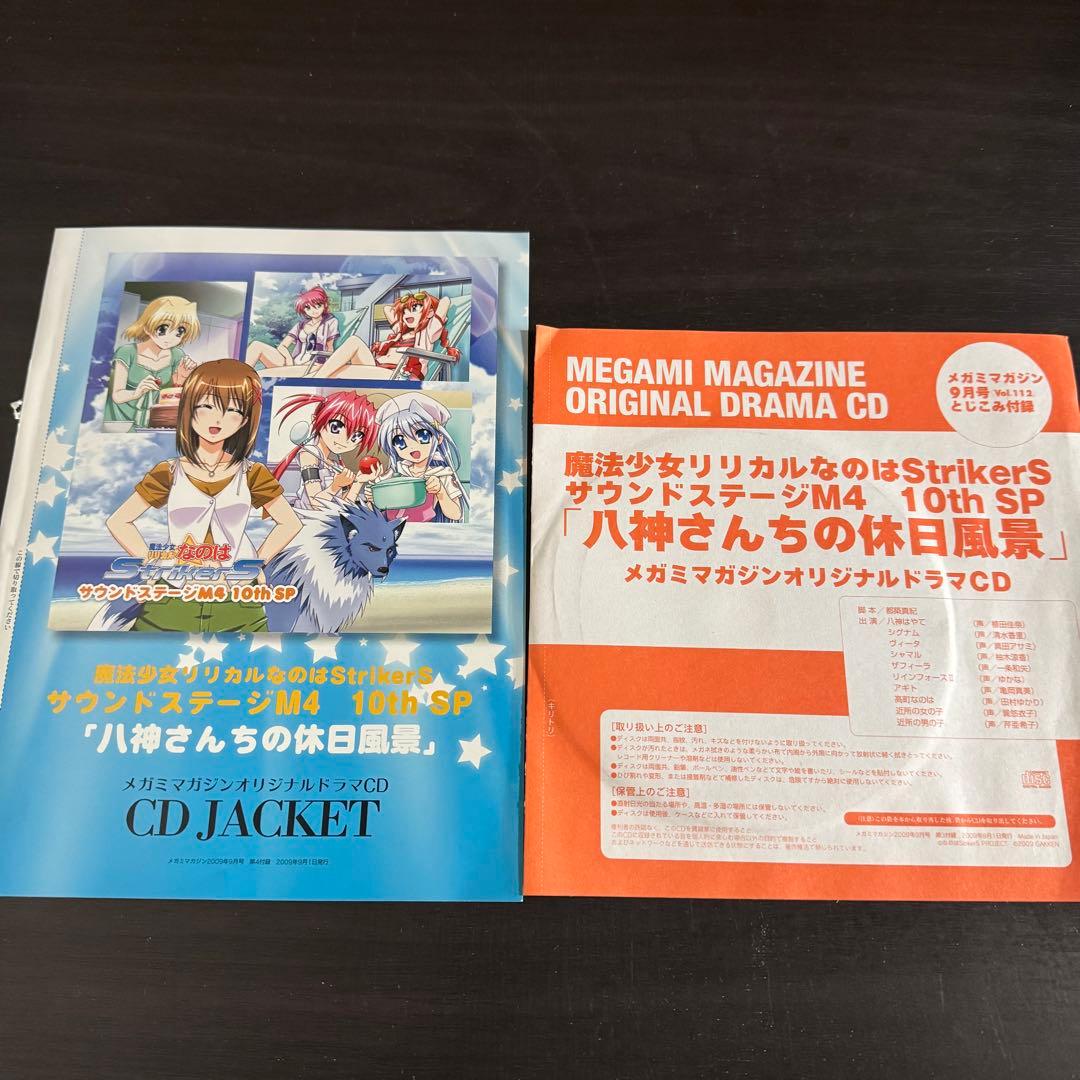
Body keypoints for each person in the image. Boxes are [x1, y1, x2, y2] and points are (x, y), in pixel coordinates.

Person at [104, 359, 301, 632]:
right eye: (207, 406)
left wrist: (258, 562)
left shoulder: (251, 473)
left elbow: (290, 523)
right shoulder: (169, 472)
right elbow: (119, 521)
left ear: (245, 420)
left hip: (238, 596)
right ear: (189, 407)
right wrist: (150, 562)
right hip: (173, 592)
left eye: (233, 410)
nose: (217, 419)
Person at [272, 389, 380, 509]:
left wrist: (359, 482)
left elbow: (346, 507)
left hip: (331, 517)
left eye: (357, 436)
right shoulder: (309, 454)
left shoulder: (337, 465)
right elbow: (315, 504)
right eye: (336, 427)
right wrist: (335, 486)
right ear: (316, 419)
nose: (345, 440)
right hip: (308, 516)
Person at [103, 296, 200, 426]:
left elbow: (171, 395)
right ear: (147, 327)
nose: (170, 338)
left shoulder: (177, 355)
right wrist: (136, 392)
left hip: (154, 420)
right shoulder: (127, 352)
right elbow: (117, 395)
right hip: (121, 419)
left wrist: (183, 381)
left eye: (180, 331)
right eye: (163, 329)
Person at [319, 291, 458, 381]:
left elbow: (445, 301)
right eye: (405, 311)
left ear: (430, 313)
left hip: (399, 376)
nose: (407, 314)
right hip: (378, 369)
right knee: (353, 342)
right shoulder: (400, 332)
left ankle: (315, 381)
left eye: (414, 309)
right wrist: (405, 304)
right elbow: (388, 310)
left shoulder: (427, 333)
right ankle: (316, 379)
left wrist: (426, 303)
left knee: (333, 371)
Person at [375, 391, 467, 523]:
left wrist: (440, 491)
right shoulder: (396, 472)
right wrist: (374, 496)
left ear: (439, 437)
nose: (412, 446)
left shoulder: (442, 475)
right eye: (399, 441)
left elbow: (456, 514)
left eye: (422, 435)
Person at [245, 285, 339, 373]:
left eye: (318, 306)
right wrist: (289, 359)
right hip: (293, 362)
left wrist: (323, 365)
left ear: (324, 305)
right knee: (256, 345)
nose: (314, 311)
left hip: (313, 364)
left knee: (262, 373)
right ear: (304, 309)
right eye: (308, 308)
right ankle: (241, 376)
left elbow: (330, 348)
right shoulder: (301, 325)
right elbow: (282, 346)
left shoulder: (331, 322)